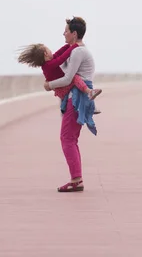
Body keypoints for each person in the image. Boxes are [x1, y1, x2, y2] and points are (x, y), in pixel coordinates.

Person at [44, 16, 97, 193]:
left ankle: (76, 179)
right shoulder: (76, 50)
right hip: (77, 94)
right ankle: (76, 178)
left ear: (74, 34)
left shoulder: (78, 52)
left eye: (66, 31)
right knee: (70, 138)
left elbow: (68, 77)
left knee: (67, 138)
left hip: (78, 96)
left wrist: (49, 85)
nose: (63, 34)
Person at [16, 42, 102, 103]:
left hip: (60, 87)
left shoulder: (49, 61)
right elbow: (61, 58)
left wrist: (68, 45)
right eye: (49, 50)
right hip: (61, 89)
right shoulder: (48, 65)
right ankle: (89, 92)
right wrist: (74, 46)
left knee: (74, 79)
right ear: (46, 54)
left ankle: (89, 103)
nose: (51, 51)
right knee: (75, 77)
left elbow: (59, 53)